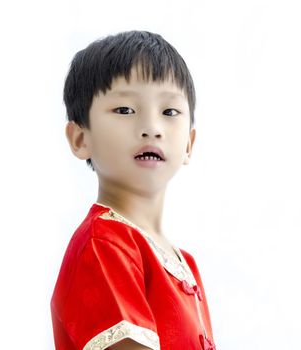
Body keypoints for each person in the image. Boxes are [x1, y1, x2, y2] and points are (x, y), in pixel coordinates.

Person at [51, 30, 216, 350]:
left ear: (189, 144)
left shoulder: (185, 264)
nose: (151, 128)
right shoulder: (104, 244)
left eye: (169, 112)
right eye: (125, 110)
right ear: (80, 138)